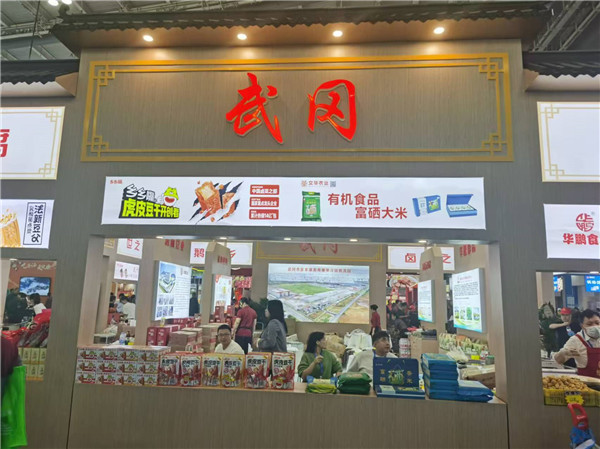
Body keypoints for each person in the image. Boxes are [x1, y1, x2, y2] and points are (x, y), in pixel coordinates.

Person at [554, 309, 600, 378]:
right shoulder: (576, 340)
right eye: (589, 324)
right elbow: (558, 360)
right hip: (585, 382)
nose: (594, 326)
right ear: (582, 325)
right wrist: (564, 353)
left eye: (597, 323)